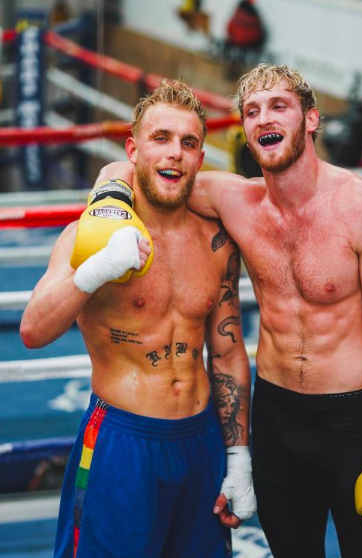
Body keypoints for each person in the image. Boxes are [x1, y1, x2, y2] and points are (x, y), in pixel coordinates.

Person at [95, 64, 362, 558]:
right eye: (251, 111)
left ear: (311, 120)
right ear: (246, 133)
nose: (263, 118)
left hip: (353, 422)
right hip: (278, 419)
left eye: (279, 106)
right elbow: (144, 168)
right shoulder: (235, 201)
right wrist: (108, 191)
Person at [20, 80, 256, 558]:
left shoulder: (217, 243)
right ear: (133, 148)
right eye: (161, 138)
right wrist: (95, 271)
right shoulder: (90, 234)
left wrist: (238, 456)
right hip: (121, 443)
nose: (175, 154)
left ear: (201, 156)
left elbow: (228, 353)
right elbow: (33, 329)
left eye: (189, 143)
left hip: (201, 441)